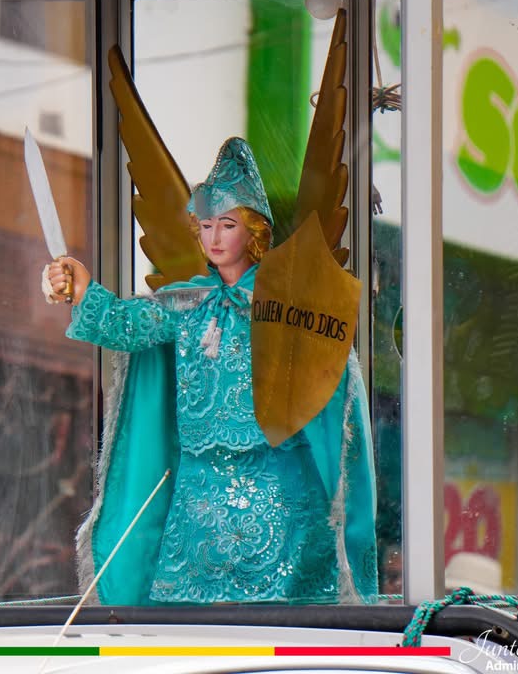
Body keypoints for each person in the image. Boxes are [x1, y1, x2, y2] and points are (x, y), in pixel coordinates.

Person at [45, 137, 377, 605]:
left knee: (283, 632)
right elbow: (126, 324)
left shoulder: (284, 304)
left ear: (255, 232)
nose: (216, 238)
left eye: (228, 225)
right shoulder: (186, 303)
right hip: (197, 503)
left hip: (279, 497)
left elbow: (330, 364)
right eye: (206, 225)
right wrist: (81, 287)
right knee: (187, 626)